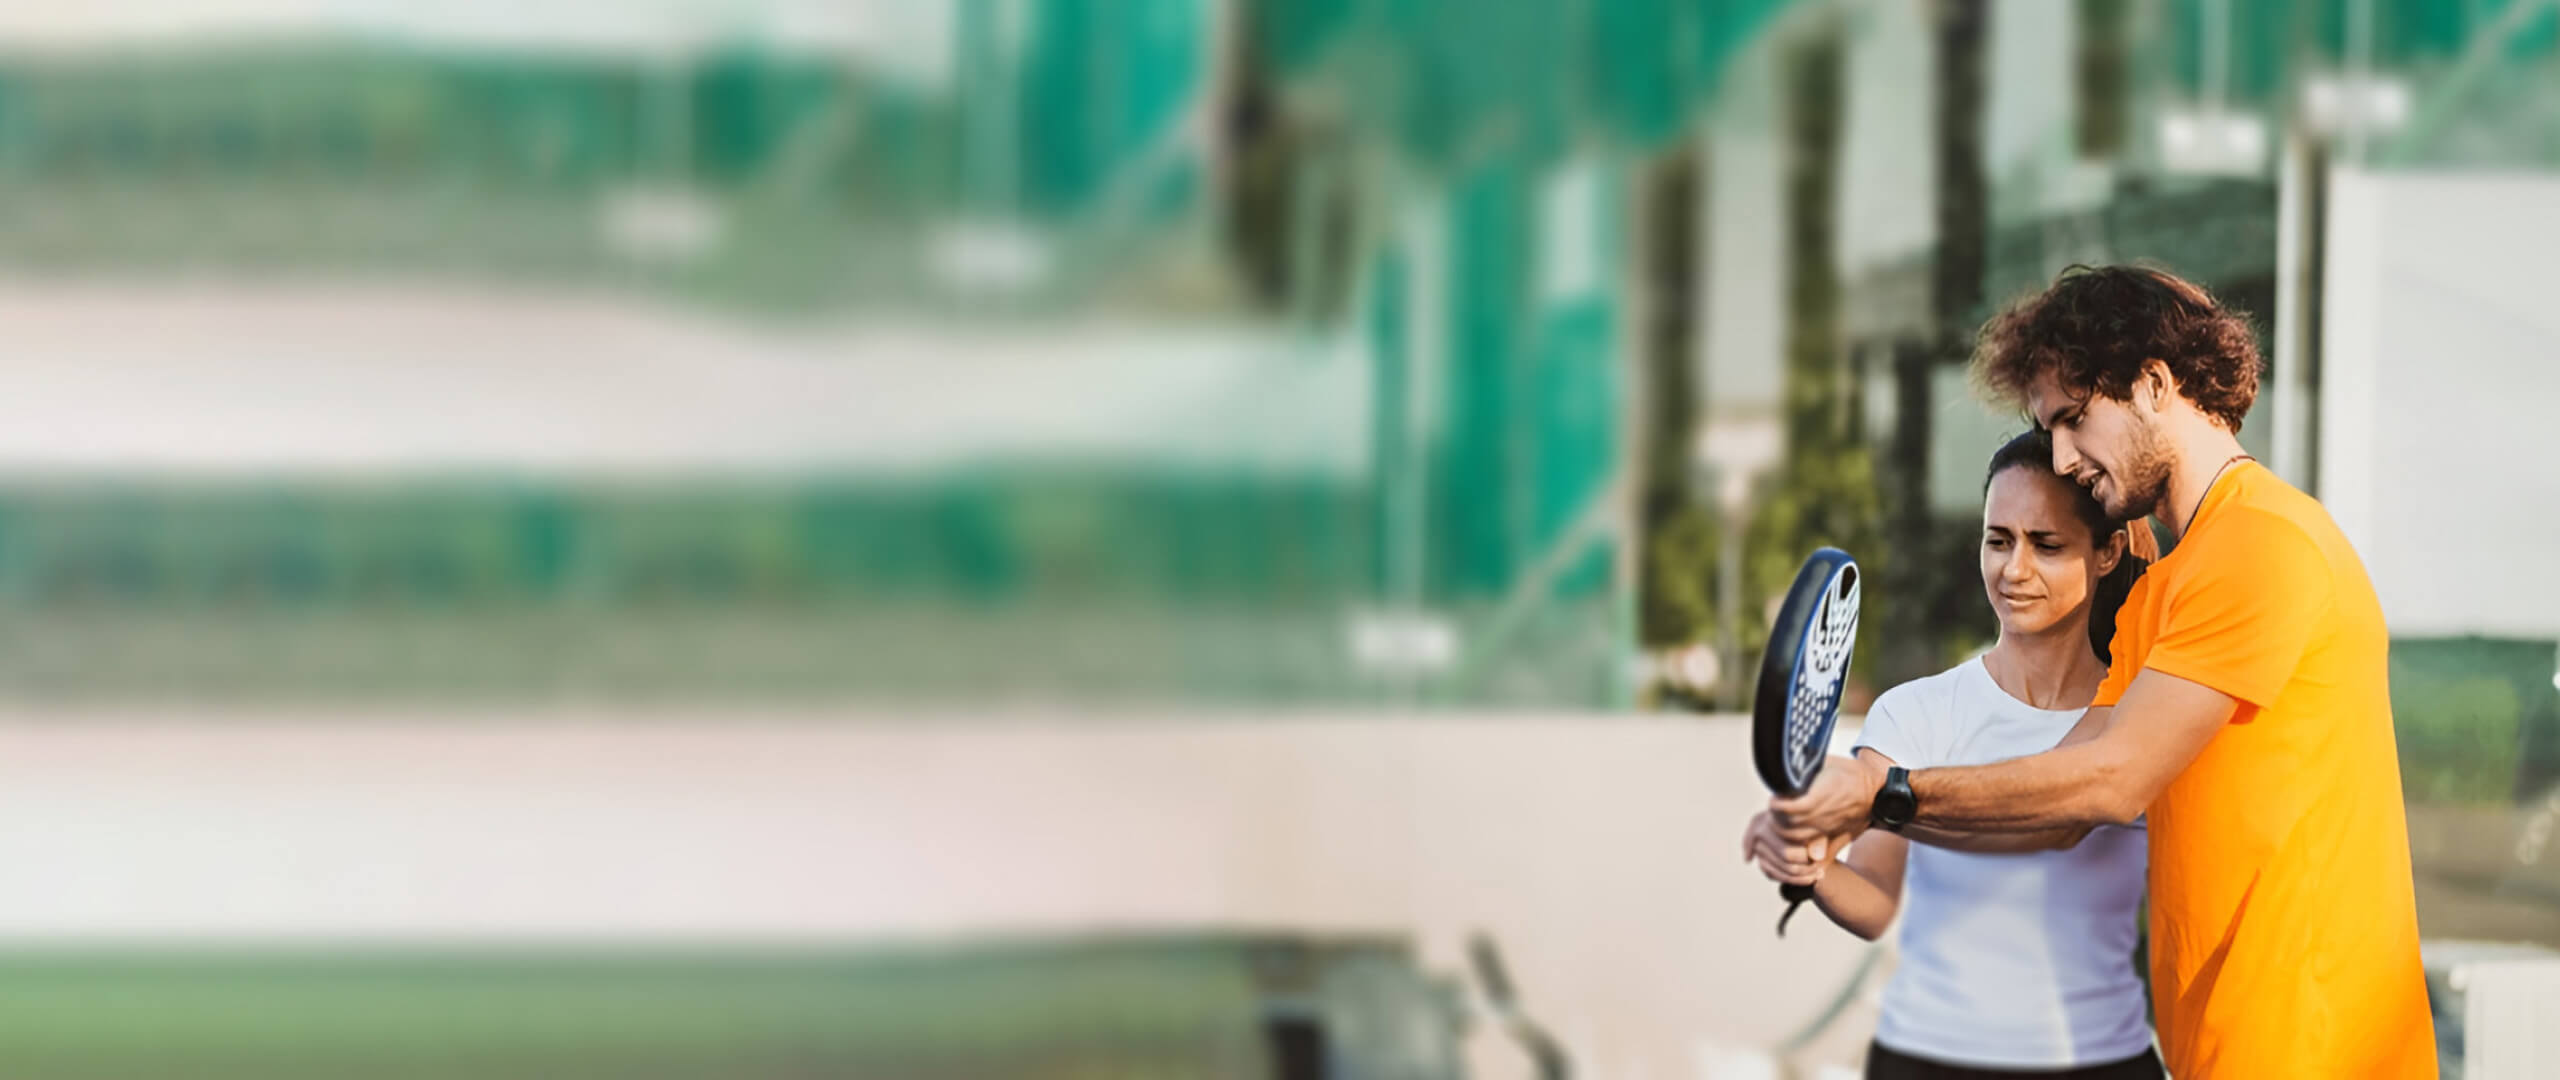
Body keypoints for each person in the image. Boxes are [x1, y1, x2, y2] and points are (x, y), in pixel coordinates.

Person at [1765, 265, 2435, 1077]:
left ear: (2155, 384)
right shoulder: (2163, 595)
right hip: (2217, 1052)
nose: (2062, 456)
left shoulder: (2263, 543)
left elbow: (2110, 782)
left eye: (2075, 420)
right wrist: (1854, 821)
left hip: (2316, 1052)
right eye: (2047, 430)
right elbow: (2059, 806)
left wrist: (1884, 794)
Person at [1744, 429, 2163, 1079]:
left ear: (2107, 552)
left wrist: (1887, 798)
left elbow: (2064, 829)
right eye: (1998, 540)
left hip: (2098, 1058)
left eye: (2046, 545)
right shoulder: (1916, 712)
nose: (2013, 569)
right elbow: (1875, 902)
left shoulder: (2139, 722)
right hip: (1927, 1056)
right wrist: (1809, 867)